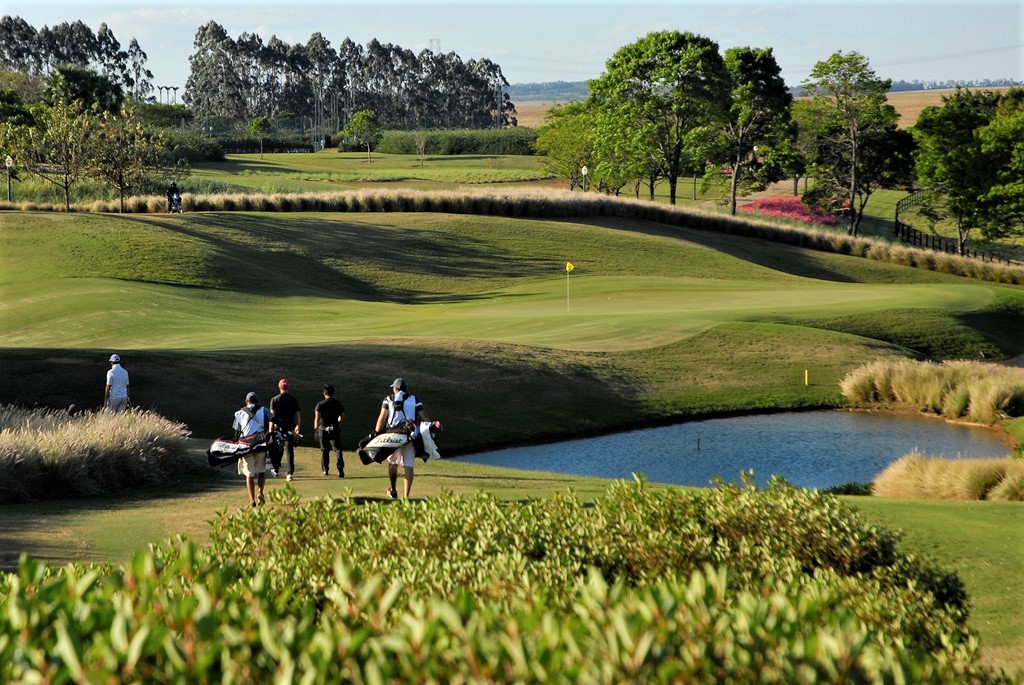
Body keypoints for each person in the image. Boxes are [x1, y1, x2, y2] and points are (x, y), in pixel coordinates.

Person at [374, 377, 430, 499]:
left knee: (392, 463)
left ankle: (393, 490)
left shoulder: (388, 399)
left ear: (396, 388)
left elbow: (382, 418)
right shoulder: (414, 399)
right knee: (409, 466)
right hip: (410, 436)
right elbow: (425, 418)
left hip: (393, 436)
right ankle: (406, 497)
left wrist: (376, 434)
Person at [233, 391, 272, 508]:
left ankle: (251, 499)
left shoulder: (240, 413)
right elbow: (273, 419)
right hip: (261, 444)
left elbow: (236, 432)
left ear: (246, 402)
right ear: (257, 401)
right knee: (261, 471)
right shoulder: (264, 410)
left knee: (249, 474)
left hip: (247, 446)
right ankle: (260, 492)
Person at [270, 378, 302, 481]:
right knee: (289, 449)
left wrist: (270, 429)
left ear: (279, 387)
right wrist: (298, 426)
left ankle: (276, 469)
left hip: (278, 428)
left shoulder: (274, 399)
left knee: (278, 449)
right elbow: (297, 414)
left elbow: (272, 416)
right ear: (288, 387)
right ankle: (289, 473)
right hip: (289, 428)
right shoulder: (293, 399)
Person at [314, 384, 346, 477]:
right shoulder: (338, 404)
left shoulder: (320, 404)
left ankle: (325, 469)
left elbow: (316, 418)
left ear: (324, 393)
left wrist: (316, 430)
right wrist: (337, 422)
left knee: (324, 450)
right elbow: (342, 417)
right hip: (334, 429)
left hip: (323, 429)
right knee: (338, 449)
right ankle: (340, 468)